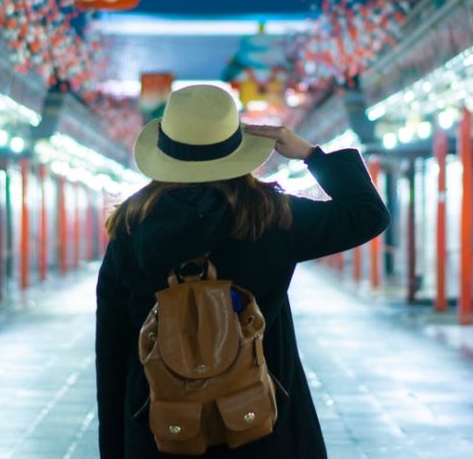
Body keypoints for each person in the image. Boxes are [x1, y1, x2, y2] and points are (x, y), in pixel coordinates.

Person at [96, 84, 390, 458]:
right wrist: (311, 155)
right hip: (260, 415)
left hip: (163, 420)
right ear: (236, 148)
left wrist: (114, 442)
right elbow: (367, 215)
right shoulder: (272, 215)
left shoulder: (131, 225)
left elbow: (112, 344)